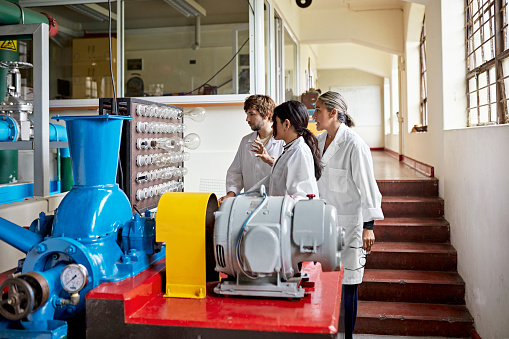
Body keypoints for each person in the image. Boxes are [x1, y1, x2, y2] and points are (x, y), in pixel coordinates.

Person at [312, 91, 384, 339]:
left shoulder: (354, 144)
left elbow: (368, 188)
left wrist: (369, 226)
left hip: (350, 226)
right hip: (324, 224)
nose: (314, 115)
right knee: (325, 282)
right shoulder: (318, 142)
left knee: (349, 284)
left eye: (318, 110)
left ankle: (349, 337)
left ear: (333, 113)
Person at [219, 95, 284, 204]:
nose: (247, 119)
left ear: (267, 114)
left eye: (252, 114)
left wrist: (270, 161)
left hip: (275, 204)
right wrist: (231, 194)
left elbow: (288, 171)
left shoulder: (282, 141)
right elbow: (235, 172)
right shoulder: (246, 142)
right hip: (248, 203)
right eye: (247, 114)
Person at [249, 100, 321, 199]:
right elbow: (270, 183)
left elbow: (301, 196)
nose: (272, 126)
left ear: (286, 124)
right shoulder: (291, 149)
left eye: (275, 122)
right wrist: (241, 198)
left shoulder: (299, 152)